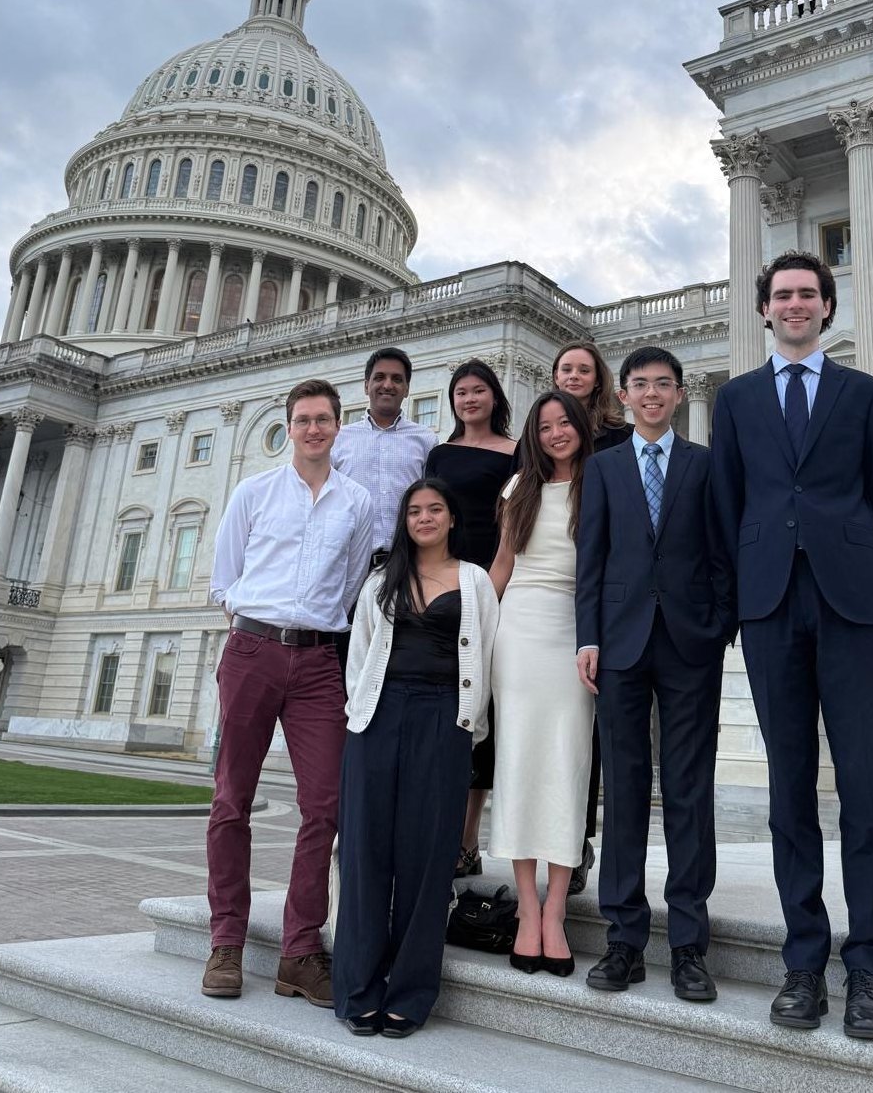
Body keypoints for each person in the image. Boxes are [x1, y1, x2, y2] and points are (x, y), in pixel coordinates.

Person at [711, 251, 873, 1041]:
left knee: (863, 786)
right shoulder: (735, 399)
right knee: (789, 790)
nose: (794, 305)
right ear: (764, 311)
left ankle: (869, 972)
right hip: (768, 604)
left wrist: (850, 558)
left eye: (807, 295)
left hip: (848, 603)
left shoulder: (865, 393)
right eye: (781, 295)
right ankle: (803, 962)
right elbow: (728, 504)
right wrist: (754, 580)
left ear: (827, 308)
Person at [203, 378, 373, 1006]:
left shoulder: (357, 504)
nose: (313, 429)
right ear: (288, 427)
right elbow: (225, 580)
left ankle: (301, 950)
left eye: (323, 419)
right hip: (252, 650)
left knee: (325, 805)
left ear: (337, 425)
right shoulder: (253, 494)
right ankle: (226, 940)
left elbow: (353, 581)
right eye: (302, 420)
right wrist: (257, 637)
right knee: (231, 801)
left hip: (320, 661)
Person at [576, 345, 734, 1002]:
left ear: (676, 394)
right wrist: (587, 638)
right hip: (619, 646)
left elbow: (724, 551)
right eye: (638, 385)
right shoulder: (605, 468)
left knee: (690, 792)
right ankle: (624, 940)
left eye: (661, 385)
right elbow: (593, 557)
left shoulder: (705, 465)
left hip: (690, 645)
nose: (650, 394)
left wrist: (719, 625)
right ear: (624, 397)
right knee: (625, 790)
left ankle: (690, 945)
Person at [332, 478, 499, 1038]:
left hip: (443, 720)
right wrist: (362, 714)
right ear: (405, 521)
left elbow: (490, 656)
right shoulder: (382, 579)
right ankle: (359, 988)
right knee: (365, 853)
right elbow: (358, 656)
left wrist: (468, 722)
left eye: (435, 509)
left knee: (428, 862)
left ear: (452, 518)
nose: (424, 518)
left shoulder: (474, 581)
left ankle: (409, 992)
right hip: (378, 718)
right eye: (415, 511)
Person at [488, 390, 595, 977]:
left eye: (564, 423)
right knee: (519, 764)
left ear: (580, 426)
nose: (556, 433)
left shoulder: (599, 484)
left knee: (567, 767)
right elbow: (502, 566)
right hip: (519, 632)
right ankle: (527, 908)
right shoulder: (516, 488)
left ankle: (558, 908)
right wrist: (471, 624)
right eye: (545, 425)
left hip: (575, 634)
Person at [425, 359, 516, 877]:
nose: (469, 399)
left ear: (494, 397)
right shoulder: (439, 453)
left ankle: (467, 840)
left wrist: (492, 590)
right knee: (447, 708)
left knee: (482, 713)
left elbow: (512, 525)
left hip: (491, 582)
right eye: (460, 392)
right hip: (443, 580)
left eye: (478, 390)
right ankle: (440, 831)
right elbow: (430, 515)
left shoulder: (514, 452)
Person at [550, 340, 633, 893]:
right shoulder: (544, 432)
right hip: (547, 596)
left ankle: (577, 840)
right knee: (544, 731)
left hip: (604, 591)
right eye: (566, 369)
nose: (575, 376)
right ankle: (549, 839)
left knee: (590, 730)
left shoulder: (620, 437)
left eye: (584, 369)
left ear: (598, 377)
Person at [332, 346, 438, 568]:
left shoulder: (426, 440)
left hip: (407, 563)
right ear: (366, 385)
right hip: (349, 563)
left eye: (397, 379)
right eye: (379, 377)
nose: (388, 385)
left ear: (407, 388)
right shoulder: (339, 439)